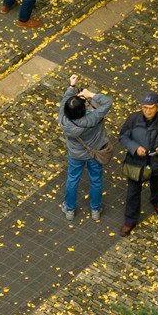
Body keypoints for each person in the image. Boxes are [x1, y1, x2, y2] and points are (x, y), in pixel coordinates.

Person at [118, 92, 158, 236]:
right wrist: (134, 148)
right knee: (133, 192)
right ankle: (130, 220)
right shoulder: (133, 119)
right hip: (135, 163)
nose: (148, 111)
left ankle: (157, 202)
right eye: (145, 107)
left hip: (156, 162)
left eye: (151, 107)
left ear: (157, 107)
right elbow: (123, 136)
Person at [58, 75, 113, 221]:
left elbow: (65, 101)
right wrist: (90, 95)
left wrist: (71, 86)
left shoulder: (63, 119)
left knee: (72, 179)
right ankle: (95, 210)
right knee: (96, 179)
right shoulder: (92, 117)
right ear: (83, 110)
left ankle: (69, 209)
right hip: (95, 152)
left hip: (76, 154)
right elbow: (108, 102)